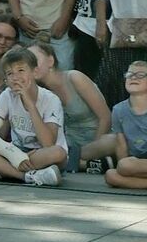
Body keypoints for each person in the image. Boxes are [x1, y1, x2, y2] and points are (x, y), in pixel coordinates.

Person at [0, 46, 68, 186]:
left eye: (21, 70)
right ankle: (27, 177)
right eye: (10, 73)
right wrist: (14, 155)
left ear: (34, 72)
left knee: (58, 153)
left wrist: (29, 105)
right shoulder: (7, 95)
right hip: (16, 152)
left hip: (41, 155)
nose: (15, 78)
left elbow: (48, 143)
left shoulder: (51, 99)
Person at [30, 39, 113, 173]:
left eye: (34, 60)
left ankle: (81, 162)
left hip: (97, 141)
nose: (31, 66)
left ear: (50, 61)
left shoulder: (74, 77)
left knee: (112, 141)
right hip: (69, 145)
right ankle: (87, 165)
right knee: (48, 152)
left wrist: (95, 150)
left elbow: (106, 117)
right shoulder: (42, 94)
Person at [103, 62, 147, 192]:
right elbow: (121, 143)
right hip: (139, 163)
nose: (134, 77)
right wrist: (124, 170)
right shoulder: (118, 110)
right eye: (130, 74)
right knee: (111, 175)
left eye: (141, 75)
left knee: (124, 165)